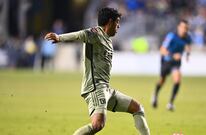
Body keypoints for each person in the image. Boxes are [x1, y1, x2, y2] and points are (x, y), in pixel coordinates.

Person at [45, 7, 150, 135]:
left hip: (105, 89)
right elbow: (81, 34)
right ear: (110, 22)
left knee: (137, 108)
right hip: (95, 88)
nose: (119, 26)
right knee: (97, 125)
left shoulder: (107, 39)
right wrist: (59, 37)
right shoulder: (95, 33)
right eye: (117, 22)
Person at [151, 20, 192, 111]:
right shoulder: (171, 36)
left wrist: (188, 55)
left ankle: (170, 103)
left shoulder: (188, 37)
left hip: (176, 63)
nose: (184, 30)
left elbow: (188, 47)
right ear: (178, 27)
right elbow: (162, 50)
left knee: (177, 80)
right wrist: (173, 55)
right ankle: (155, 95)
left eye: (186, 28)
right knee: (162, 81)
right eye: (183, 27)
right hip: (167, 61)